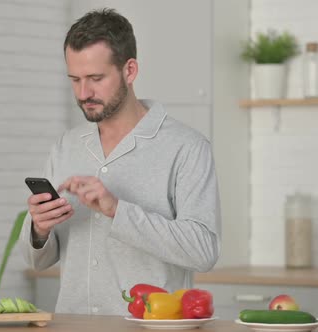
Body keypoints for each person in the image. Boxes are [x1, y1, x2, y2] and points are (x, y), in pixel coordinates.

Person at [21, 8, 221, 316]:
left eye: (96, 78)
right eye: (74, 79)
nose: (83, 92)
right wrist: (39, 229)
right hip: (73, 324)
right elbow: (38, 260)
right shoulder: (66, 146)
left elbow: (203, 252)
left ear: (130, 71)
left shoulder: (187, 147)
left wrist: (118, 210)